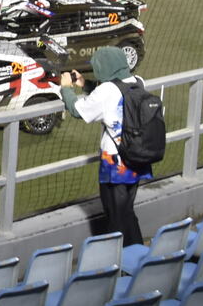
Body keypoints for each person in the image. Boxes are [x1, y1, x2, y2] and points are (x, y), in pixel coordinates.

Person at [59, 48, 149, 247]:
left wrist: (66, 88)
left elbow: (77, 110)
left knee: (116, 216)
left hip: (115, 163)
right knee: (126, 211)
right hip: (137, 158)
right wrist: (86, 85)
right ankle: (138, 256)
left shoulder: (106, 91)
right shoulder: (139, 82)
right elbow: (113, 95)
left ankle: (120, 263)